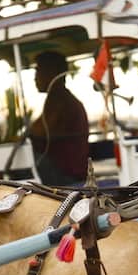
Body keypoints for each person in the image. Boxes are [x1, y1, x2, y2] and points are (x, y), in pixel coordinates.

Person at [29, 51, 88, 187]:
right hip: (68, 171)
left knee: (21, 161)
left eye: (38, 71)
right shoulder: (59, 98)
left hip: (66, 175)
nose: (35, 78)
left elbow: (39, 132)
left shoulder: (60, 100)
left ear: (52, 72)